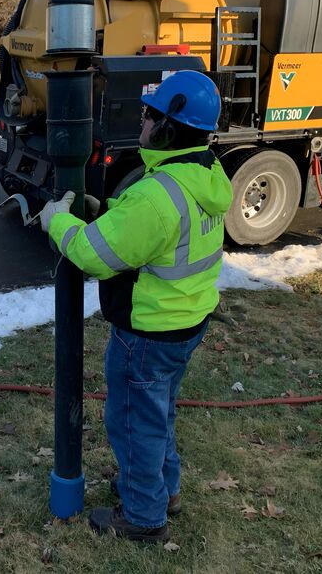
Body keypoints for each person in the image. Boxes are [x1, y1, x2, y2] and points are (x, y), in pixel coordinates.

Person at [39, 71, 232, 542]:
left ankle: (144, 518)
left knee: (134, 425)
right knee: (158, 414)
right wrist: (108, 214)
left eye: (151, 115)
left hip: (146, 334)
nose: (143, 121)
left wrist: (56, 222)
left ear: (166, 128)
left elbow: (92, 255)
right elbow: (154, 237)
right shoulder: (204, 173)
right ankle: (165, 491)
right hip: (185, 323)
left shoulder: (156, 195)